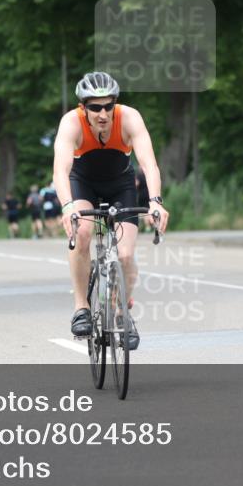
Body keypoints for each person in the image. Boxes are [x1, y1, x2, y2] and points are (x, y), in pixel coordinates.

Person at [53, 72, 169, 350]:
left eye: (108, 106)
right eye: (95, 107)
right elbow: (61, 169)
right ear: (83, 107)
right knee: (82, 234)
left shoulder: (129, 118)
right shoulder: (71, 122)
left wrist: (155, 201)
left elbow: (149, 164)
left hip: (121, 185)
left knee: (126, 254)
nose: (103, 113)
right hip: (83, 185)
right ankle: (81, 306)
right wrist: (68, 206)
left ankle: (122, 314)